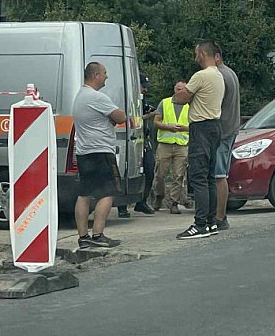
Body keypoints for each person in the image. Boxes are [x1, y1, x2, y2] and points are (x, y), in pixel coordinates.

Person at [174, 41, 224, 240]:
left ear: (202, 53)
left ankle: (200, 223)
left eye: (197, 53)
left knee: (199, 177)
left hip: (201, 127)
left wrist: (183, 92)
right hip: (215, 126)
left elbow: (180, 98)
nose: (195, 57)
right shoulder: (219, 75)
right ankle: (211, 222)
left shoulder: (201, 76)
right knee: (210, 177)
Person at [73, 62, 123, 249]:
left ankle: (83, 237)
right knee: (108, 192)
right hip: (101, 151)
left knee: (84, 194)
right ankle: (98, 235)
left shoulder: (80, 96)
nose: (106, 77)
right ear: (95, 75)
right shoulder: (97, 97)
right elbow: (121, 117)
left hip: (84, 151)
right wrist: (112, 118)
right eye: (104, 73)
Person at [118, 76, 157, 217]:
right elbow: (131, 118)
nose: (145, 89)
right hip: (128, 139)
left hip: (142, 139)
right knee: (125, 171)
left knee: (149, 169)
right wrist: (146, 116)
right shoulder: (126, 98)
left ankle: (142, 202)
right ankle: (122, 206)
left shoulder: (141, 99)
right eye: (143, 86)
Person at [213, 45, 241, 230]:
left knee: (218, 175)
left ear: (216, 56)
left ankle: (219, 217)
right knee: (219, 174)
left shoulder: (221, 76)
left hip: (222, 132)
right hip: (229, 129)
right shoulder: (230, 73)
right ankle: (218, 216)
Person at [153, 81, 190, 215]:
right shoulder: (165, 102)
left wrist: (185, 128)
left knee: (178, 175)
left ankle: (174, 202)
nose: (181, 91)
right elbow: (156, 121)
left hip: (182, 145)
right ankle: (159, 196)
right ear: (174, 89)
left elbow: (196, 125)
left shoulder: (190, 105)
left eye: (183, 89)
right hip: (165, 144)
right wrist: (168, 127)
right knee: (160, 174)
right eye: (178, 89)